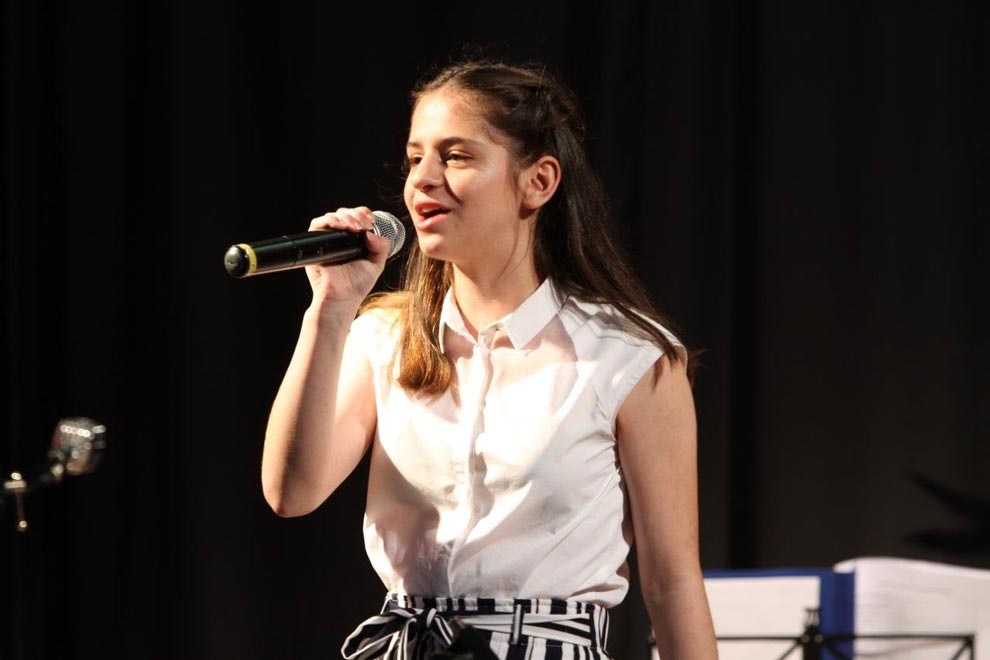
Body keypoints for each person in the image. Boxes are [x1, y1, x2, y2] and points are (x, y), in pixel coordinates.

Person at [261, 57, 718, 659]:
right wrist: (331, 308)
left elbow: (671, 583)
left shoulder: (627, 357)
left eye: (455, 156)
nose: (422, 180)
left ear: (538, 182)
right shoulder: (383, 337)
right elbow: (291, 492)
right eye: (414, 158)